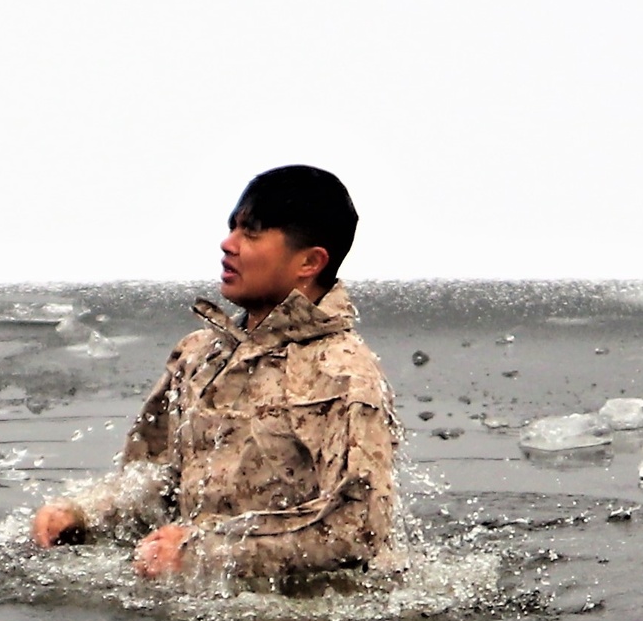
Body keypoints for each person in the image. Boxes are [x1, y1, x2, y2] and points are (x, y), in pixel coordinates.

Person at [31, 165, 399, 585]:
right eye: (232, 228)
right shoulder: (200, 354)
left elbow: (357, 529)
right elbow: (161, 483)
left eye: (252, 233)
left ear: (310, 262)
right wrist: (83, 513)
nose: (228, 244)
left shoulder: (345, 374)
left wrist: (202, 554)